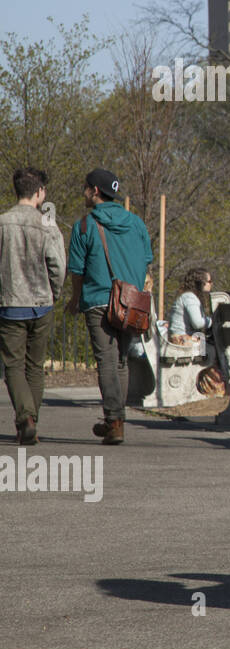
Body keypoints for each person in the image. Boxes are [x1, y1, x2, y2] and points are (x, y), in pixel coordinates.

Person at [65, 169, 152, 446]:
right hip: (130, 302)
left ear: (95, 191)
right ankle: (117, 421)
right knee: (122, 361)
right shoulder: (136, 223)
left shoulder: (83, 225)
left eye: (85, 188)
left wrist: (75, 298)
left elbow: (77, 270)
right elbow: (147, 260)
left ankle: (114, 420)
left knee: (106, 360)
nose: (83, 193)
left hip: (99, 300)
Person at [0, 168, 66, 445]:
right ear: (40, 192)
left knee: (13, 367)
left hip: (10, 303)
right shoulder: (47, 224)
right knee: (35, 366)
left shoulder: (3, 223)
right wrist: (55, 292)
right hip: (41, 304)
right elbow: (58, 265)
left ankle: (24, 417)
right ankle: (31, 421)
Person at [168, 267, 212, 341]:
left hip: (179, 338)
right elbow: (197, 323)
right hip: (181, 341)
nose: (211, 284)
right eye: (209, 281)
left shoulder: (188, 296)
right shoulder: (190, 298)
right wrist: (212, 320)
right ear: (201, 282)